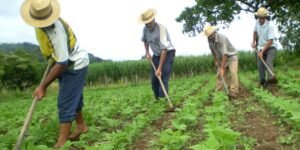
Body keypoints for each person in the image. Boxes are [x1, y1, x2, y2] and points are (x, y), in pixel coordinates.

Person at [20, 0, 89, 147]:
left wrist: (42, 86)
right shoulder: (39, 25)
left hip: (75, 64)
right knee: (73, 97)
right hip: (64, 62)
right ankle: (81, 126)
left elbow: (62, 63)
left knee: (65, 102)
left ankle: (61, 143)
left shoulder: (56, 31)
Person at [139, 8, 176, 100]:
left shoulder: (161, 29)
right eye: (146, 23)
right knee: (154, 80)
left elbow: (164, 50)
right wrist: (147, 52)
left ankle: (163, 101)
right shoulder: (145, 29)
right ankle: (158, 101)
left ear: (154, 20)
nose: (148, 25)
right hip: (156, 55)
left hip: (167, 53)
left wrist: (159, 69)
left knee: (163, 77)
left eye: (150, 23)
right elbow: (145, 41)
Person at [201, 25, 239, 98]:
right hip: (221, 58)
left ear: (214, 33)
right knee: (219, 75)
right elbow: (213, 51)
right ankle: (219, 91)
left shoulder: (221, 38)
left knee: (233, 73)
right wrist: (215, 60)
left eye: (210, 35)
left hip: (231, 56)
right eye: (208, 36)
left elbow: (225, 54)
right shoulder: (209, 40)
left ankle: (234, 91)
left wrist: (222, 68)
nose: (209, 37)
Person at [251, 7, 277, 87]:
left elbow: (270, 41)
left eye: (263, 18)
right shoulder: (257, 23)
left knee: (268, 62)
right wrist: (254, 42)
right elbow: (255, 32)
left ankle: (270, 81)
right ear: (258, 17)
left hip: (271, 47)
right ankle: (262, 82)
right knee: (260, 65)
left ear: (266, 17)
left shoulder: (270, 26)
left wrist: (262, 52)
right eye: (260, 18)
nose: (261, 19)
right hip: (260, 47)